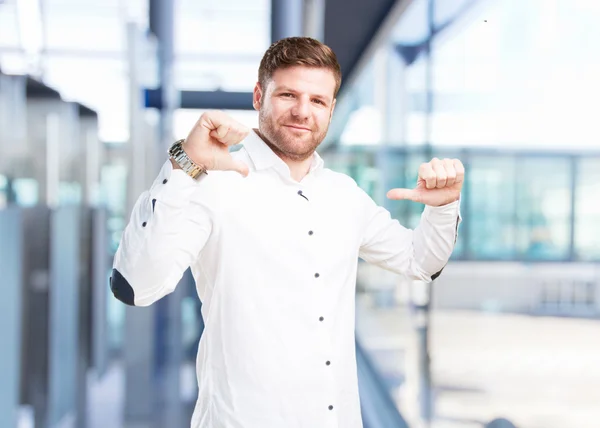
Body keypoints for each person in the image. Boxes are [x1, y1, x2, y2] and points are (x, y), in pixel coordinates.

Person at [111, 36, 463, 428]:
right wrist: (184, 166)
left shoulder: (344, 194)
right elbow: (135, 286)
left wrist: (442, 207)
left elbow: (420, 261)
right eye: (288, 95)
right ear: (259, 95)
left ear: (331, 109)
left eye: (317, 101)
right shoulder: (211, 183)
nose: (302, 111)